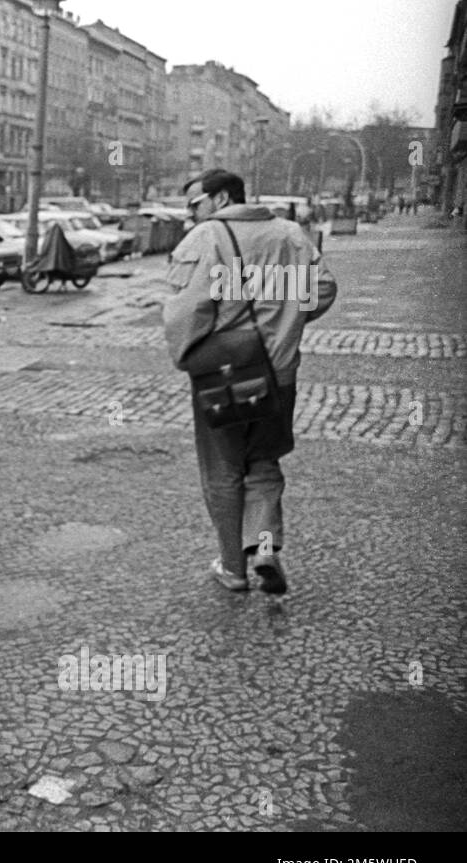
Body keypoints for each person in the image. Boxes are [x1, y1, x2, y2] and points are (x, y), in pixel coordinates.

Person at [163, 169, 338, 595]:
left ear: (221, 198)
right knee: (263, 462)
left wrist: (190, 356)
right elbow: (323, 289)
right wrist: (286, 320)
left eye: (195, 204)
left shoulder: (206, 237)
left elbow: (187, 311)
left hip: (226, 373)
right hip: (279, 374)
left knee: (223, 469)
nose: (191, 213)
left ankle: (233, 569)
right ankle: (263, 549)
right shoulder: (291, 234)